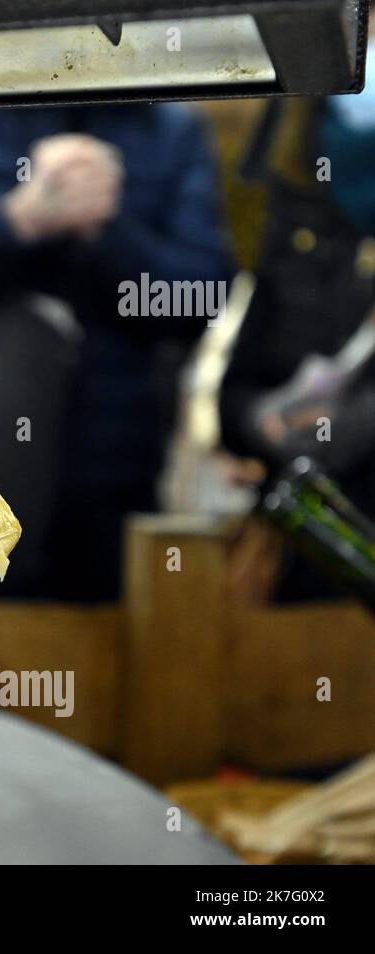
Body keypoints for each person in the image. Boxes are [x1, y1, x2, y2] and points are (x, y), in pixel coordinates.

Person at [0, 104, 234, 600]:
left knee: (107, 651)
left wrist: (105, 232)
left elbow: (199, 300)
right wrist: (19, 219)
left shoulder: (173, 129)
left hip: (112, 470)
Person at [219, 88, 375, 600]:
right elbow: (237, 389)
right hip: (309, 551)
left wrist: (354, 425)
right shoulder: (295, 208)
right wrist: (263, 422)